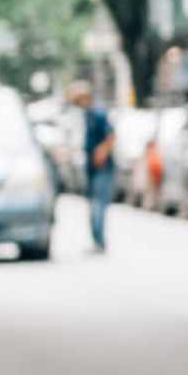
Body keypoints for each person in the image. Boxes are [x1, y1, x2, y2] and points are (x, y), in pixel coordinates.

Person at [78, 84, 120, 252]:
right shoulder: (87, 115)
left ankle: (99, 241)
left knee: (98, 204)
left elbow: (111, 136)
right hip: (91, 167)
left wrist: (101, 152)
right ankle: (96, 240)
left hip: (102, 167)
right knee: (93, 205)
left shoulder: (98, 114)